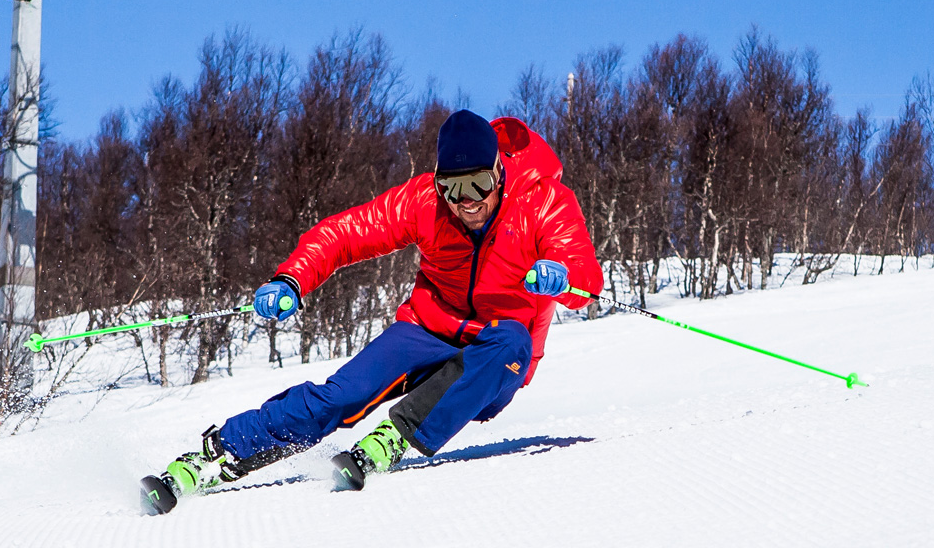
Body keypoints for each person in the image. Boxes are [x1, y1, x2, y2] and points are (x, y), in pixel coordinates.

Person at [146, 110, 601, 511]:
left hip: (497, 357)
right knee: (342, 395)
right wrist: (292, 278)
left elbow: (586, 279)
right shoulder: (424, 202)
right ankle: (218, 454)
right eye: (452, 188)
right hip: (427, 329)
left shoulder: (543, 203)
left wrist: (562, 275)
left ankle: (396, 438)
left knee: (512, 339)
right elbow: (345, 233)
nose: (466, 203)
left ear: (499, 173)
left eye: (478, 185)